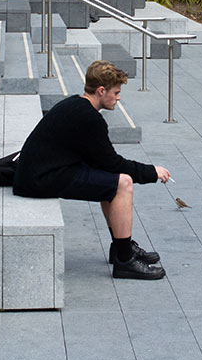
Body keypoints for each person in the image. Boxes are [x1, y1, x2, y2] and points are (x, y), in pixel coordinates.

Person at [13, 60, 171, 280]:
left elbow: (103, 163)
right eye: (115, 93)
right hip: (40, 179)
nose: (118, 98)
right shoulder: (89, 118)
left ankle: (120, 247)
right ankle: (124, 260)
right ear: (101, 90)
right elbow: (112, 163)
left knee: (112, 181)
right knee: (122, 183)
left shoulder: (75, 104)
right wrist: (152, 172)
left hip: (38, 173)